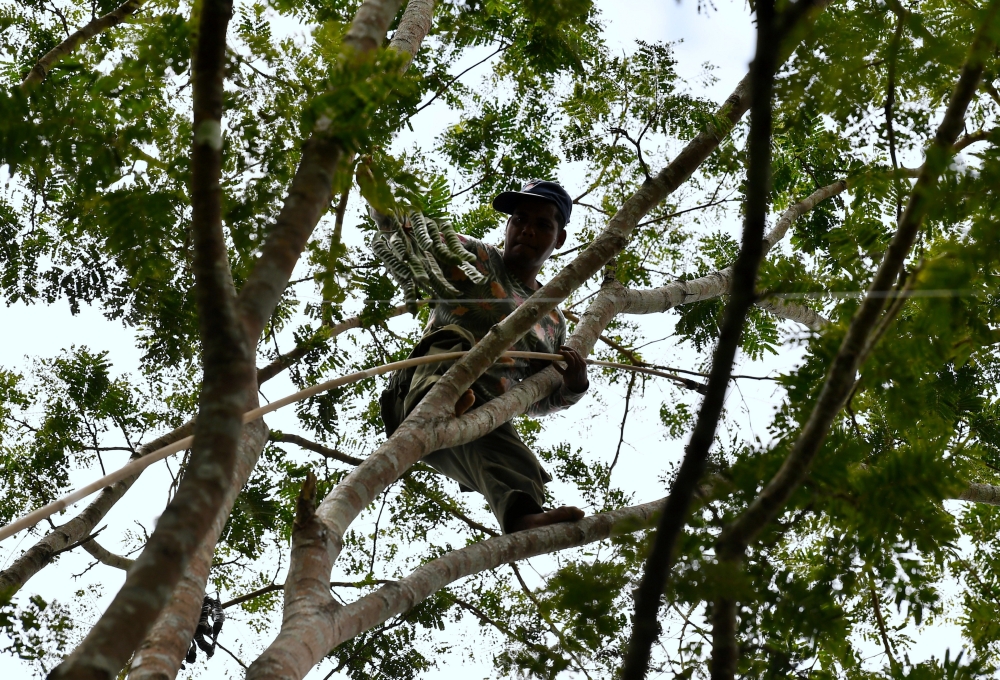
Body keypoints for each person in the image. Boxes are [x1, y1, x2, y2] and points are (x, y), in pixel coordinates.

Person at [377, 179, 589, 534]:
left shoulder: (552, 321)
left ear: (559, 239)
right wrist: (380, 197)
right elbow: (412, 232)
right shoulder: (478, 259)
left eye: (542, 225)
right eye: (519, 219)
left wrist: (574, 384)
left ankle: (521, 517)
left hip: (475, 418)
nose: (527, 230)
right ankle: (447, 401)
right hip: (419, 392)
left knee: (515, 458)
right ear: (507, 226)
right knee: (455, 340)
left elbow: (537, 397)